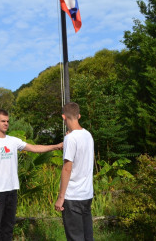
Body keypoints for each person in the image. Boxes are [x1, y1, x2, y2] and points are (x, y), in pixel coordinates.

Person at [0, 109, 63, 241]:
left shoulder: (13, 141)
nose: (6, 124)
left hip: (12, 189)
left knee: (8, 226)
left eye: (7, 121)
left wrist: (56, 146)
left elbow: (35, 148)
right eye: (3, 121)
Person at [54, 102, 94, 241]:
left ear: (63, 117)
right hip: (86, 194)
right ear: (79, 116)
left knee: (75, 238)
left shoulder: (70, 139)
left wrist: (60, 198)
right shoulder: (88, 135)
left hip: (72, 197)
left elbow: (67, 168)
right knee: (87, 236)